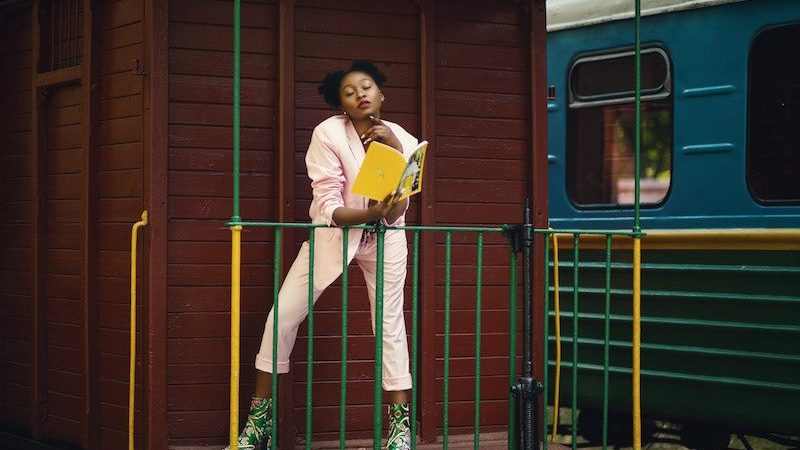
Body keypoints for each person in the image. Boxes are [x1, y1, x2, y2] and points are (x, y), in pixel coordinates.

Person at [225, 60, 417, 450]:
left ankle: (400, 434)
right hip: (332, 236)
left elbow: (399, 209)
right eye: (349, 92)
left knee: (390, 326)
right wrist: (368, 213)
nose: (360, 94)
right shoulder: (328, 133)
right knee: (281, 317)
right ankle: (256, 427)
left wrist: (394, 152)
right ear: (342, 106)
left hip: (387, 239)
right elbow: (328, 203)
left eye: (367, 86)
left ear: (381, 94)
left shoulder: (406, 139)